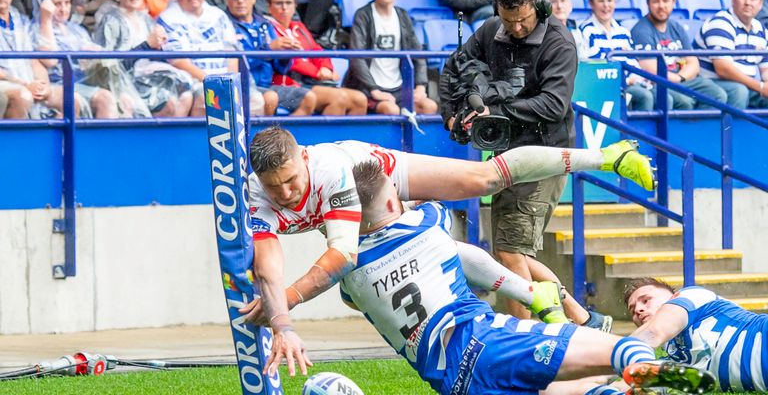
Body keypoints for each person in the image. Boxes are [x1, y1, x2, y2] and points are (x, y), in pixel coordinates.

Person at [268, 159, 716, 395]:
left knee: (568, 390)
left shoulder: (348, 279)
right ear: (390, 204)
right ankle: (656, 372)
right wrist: (527, 290)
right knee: (617, 351)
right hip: (484, 340)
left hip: (450, 381)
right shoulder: (428, 222)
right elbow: (466, 255)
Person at [237, 126, 658, 375]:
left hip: (373, 177)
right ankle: (534, 294)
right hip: (353, 222)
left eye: (291, 180)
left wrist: (284, 310)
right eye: (275, 187)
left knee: (483, 179)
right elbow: (267, 263)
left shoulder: (328, 170)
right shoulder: (258, 194)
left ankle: (608, 156)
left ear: (303, 159)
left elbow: (341, 254)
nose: (286, 193)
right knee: (436, 251)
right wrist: (280, 322)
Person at [440, 0, 617, 329]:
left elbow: (553, 105)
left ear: (538, 7)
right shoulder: (491, 30)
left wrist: (496, 110)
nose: (517, 27)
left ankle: (520, 333)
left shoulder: (559, 43)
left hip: (546, 154)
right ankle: (584, 320)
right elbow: (453, 70)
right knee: (509, 250)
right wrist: (452, 116)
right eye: (509, 21)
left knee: (508, 251)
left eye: (523, 19)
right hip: (505, 153)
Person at [624, 277, 768, 392]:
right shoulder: (668, 359)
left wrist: (608, 351)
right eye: (632, 310)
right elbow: (626, 381)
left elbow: (653, 332)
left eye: (645, 300)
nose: (638, 309)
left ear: (674, 296)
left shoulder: (692, 295)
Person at [94, 0, 196, 117]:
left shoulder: (146, 19)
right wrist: (146, 46)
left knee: (184, 95)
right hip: (122, 83)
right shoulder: (111, 21)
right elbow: (107, 66)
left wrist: (161, 47)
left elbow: (155, 55)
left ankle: (169, 139)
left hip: (149, 78)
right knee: (155, 103)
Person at [345, 0, 438, 115]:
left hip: (400, 87)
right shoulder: (363, 15)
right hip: (369, 88)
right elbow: (357, 57)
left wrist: (420, 85)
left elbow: (417, 53)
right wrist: (374, 90)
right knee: (390, 110)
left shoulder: (402, 15)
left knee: (429, 106)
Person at [265, 0, 368, 116]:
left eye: (288, 3)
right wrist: (317, 73)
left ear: (295, 6)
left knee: (360, 99)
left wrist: (326, 68)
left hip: (310, 81)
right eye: (279, 3)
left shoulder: (298, 26)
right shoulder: (267, 28)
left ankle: (348, 136)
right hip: (289, 83)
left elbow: (316, 50)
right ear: (269, 6)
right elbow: (291, 62)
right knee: (339, 98)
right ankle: (324, 137)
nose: (284, 8)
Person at [33, 0, 123, 119]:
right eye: (57, 4)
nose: (64, 9)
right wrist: (46, 19)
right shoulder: (37, 29)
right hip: (57, 85)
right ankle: (101, 142)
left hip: (83, 82)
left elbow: (91, 57)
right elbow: (50, 61)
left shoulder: (76, 29)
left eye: (67, 3)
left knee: (124, 100)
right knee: (105, 99)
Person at [631, 0, 728, 110]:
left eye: (665, 1)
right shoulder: (641, 30)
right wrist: (676, 79)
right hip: (659, 84)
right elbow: (650, 70)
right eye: (656, 1)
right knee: (685, 101)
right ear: (648, 3)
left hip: (681, 80)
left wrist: (680, 78)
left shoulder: (676, 27)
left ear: (674, 2)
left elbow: (693, 63)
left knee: (717, 95)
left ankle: (701, 129)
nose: (661, 6)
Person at [225, 0, 314, 116]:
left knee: (309, 98)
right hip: (242, 87)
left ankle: (284, 136)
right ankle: (265, 137)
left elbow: (281, 68)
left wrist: (285, 54)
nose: (240, 0)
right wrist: (268, 49)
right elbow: (236, 65)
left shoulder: (264, 24)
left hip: (268, 86)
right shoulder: (224, 25)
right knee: (270, 97)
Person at [158, 0, 239, 116]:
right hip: (194, 82)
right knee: (207, 99)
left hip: (225, 81)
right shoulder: (168, 19)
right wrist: (212, 82)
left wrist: (230, 82)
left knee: (255, 100)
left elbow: (232, 54)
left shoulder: (219, 15)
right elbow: (179, 62)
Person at [0, 0, 69, 120]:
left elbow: (34, 60)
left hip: (25, 82)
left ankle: (59, 144)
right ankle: (16, 144)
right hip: (8, 83)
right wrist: (25, 84)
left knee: (71, 99)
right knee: (23, 96)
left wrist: (43, 86)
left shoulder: (20, 19)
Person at [577, 0, 655, 112]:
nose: (606, 6)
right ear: (592, 4)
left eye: (610, 1)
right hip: (608, 85)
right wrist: (628, 80)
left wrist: (639, 78)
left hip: (631, 82)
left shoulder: (623, 32)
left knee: (665, 97)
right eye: (601, 1)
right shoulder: (586, 31)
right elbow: (596, 66)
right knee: (645, 97)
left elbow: (632, 61)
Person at [694, 0, 768, 109]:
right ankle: (730, 130)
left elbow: (765, 68)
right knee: (739, 91)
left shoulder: (760, 29)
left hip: (748, 85)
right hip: (712, 83)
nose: (747, 3)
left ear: (760, 4)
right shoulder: (720, 23)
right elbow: (723, 69)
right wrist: (760, 87)